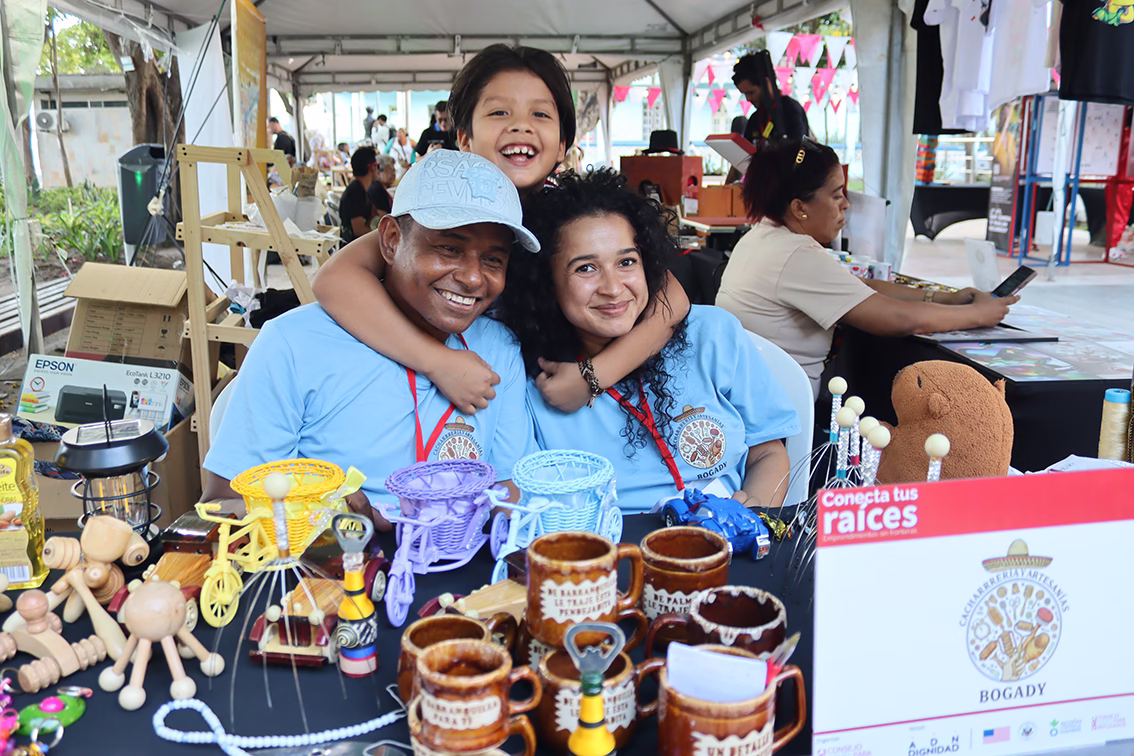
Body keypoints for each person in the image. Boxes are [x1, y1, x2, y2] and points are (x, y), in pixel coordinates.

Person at [314, 44, 690, 422]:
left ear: (562, 144)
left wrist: (593, 377)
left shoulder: (573, 218)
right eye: (498, 112)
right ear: (464, 139)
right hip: (466, 396)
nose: (520, 125)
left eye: (540, 114)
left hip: (554, 405)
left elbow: (672, 295)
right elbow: (334, 279)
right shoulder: (437, 216)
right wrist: (437, 362)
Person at [202, 150, 540, 526]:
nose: (474, 277)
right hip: (330, 574)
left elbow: (511, 486)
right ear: (392, 241)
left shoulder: (499, 349)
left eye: (493, 259)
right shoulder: (294, 344)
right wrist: (319, 515)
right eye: (449, 248)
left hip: (461, 569)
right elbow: (222, 504)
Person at [495, 169, 799, 511]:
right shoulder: (528, 379)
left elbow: (768, 450)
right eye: (585, 268)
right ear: (547, 283)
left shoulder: (713, 334)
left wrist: (755, 510)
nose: (612, 288)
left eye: (626, 262)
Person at [715, 138, 1020, 395]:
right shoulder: (795, 254)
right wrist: (980, 314)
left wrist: (945, 297)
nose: (845, 204)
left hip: (752, 391)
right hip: (778, 405)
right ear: (799, 207)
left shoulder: (766, 235)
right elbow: (899, 319)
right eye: (836, 195)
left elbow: (861, 288)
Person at [733, 52, 810, 144]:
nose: (748, 99)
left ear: (767, 83)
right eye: (744, 94)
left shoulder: (791, 110)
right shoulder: (755, 119)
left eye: (751, 92)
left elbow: (802, 151)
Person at [339, 146, 381, 245]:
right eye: (377, 165)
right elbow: (358, 229)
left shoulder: (358, 189)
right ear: (372, 167)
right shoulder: (356, 193)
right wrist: (383, 237)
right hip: (355, 249)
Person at [366, 154, 397, 221]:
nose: (393, 174)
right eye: (389, 171)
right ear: (378, 173)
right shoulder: (376, 190)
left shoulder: (381, 187)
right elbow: (383, 219)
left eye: (394, 170)